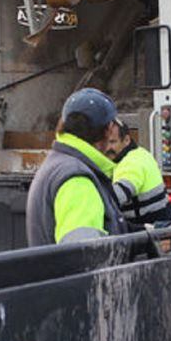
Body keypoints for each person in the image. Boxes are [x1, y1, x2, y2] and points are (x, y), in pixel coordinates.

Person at [26, 88, 129, 246]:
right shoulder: (77, 180)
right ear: (109, 130)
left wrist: (154, 234)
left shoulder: (59, 163)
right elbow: (85, 258)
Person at [106, 119, 171, 226]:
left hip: (149, 233)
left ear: (126, 140)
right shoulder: (140, 153)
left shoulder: (131, 163)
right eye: (105, 142)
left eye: (112, 142)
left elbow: (116, 197)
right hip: (162, 225)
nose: (107, 147)